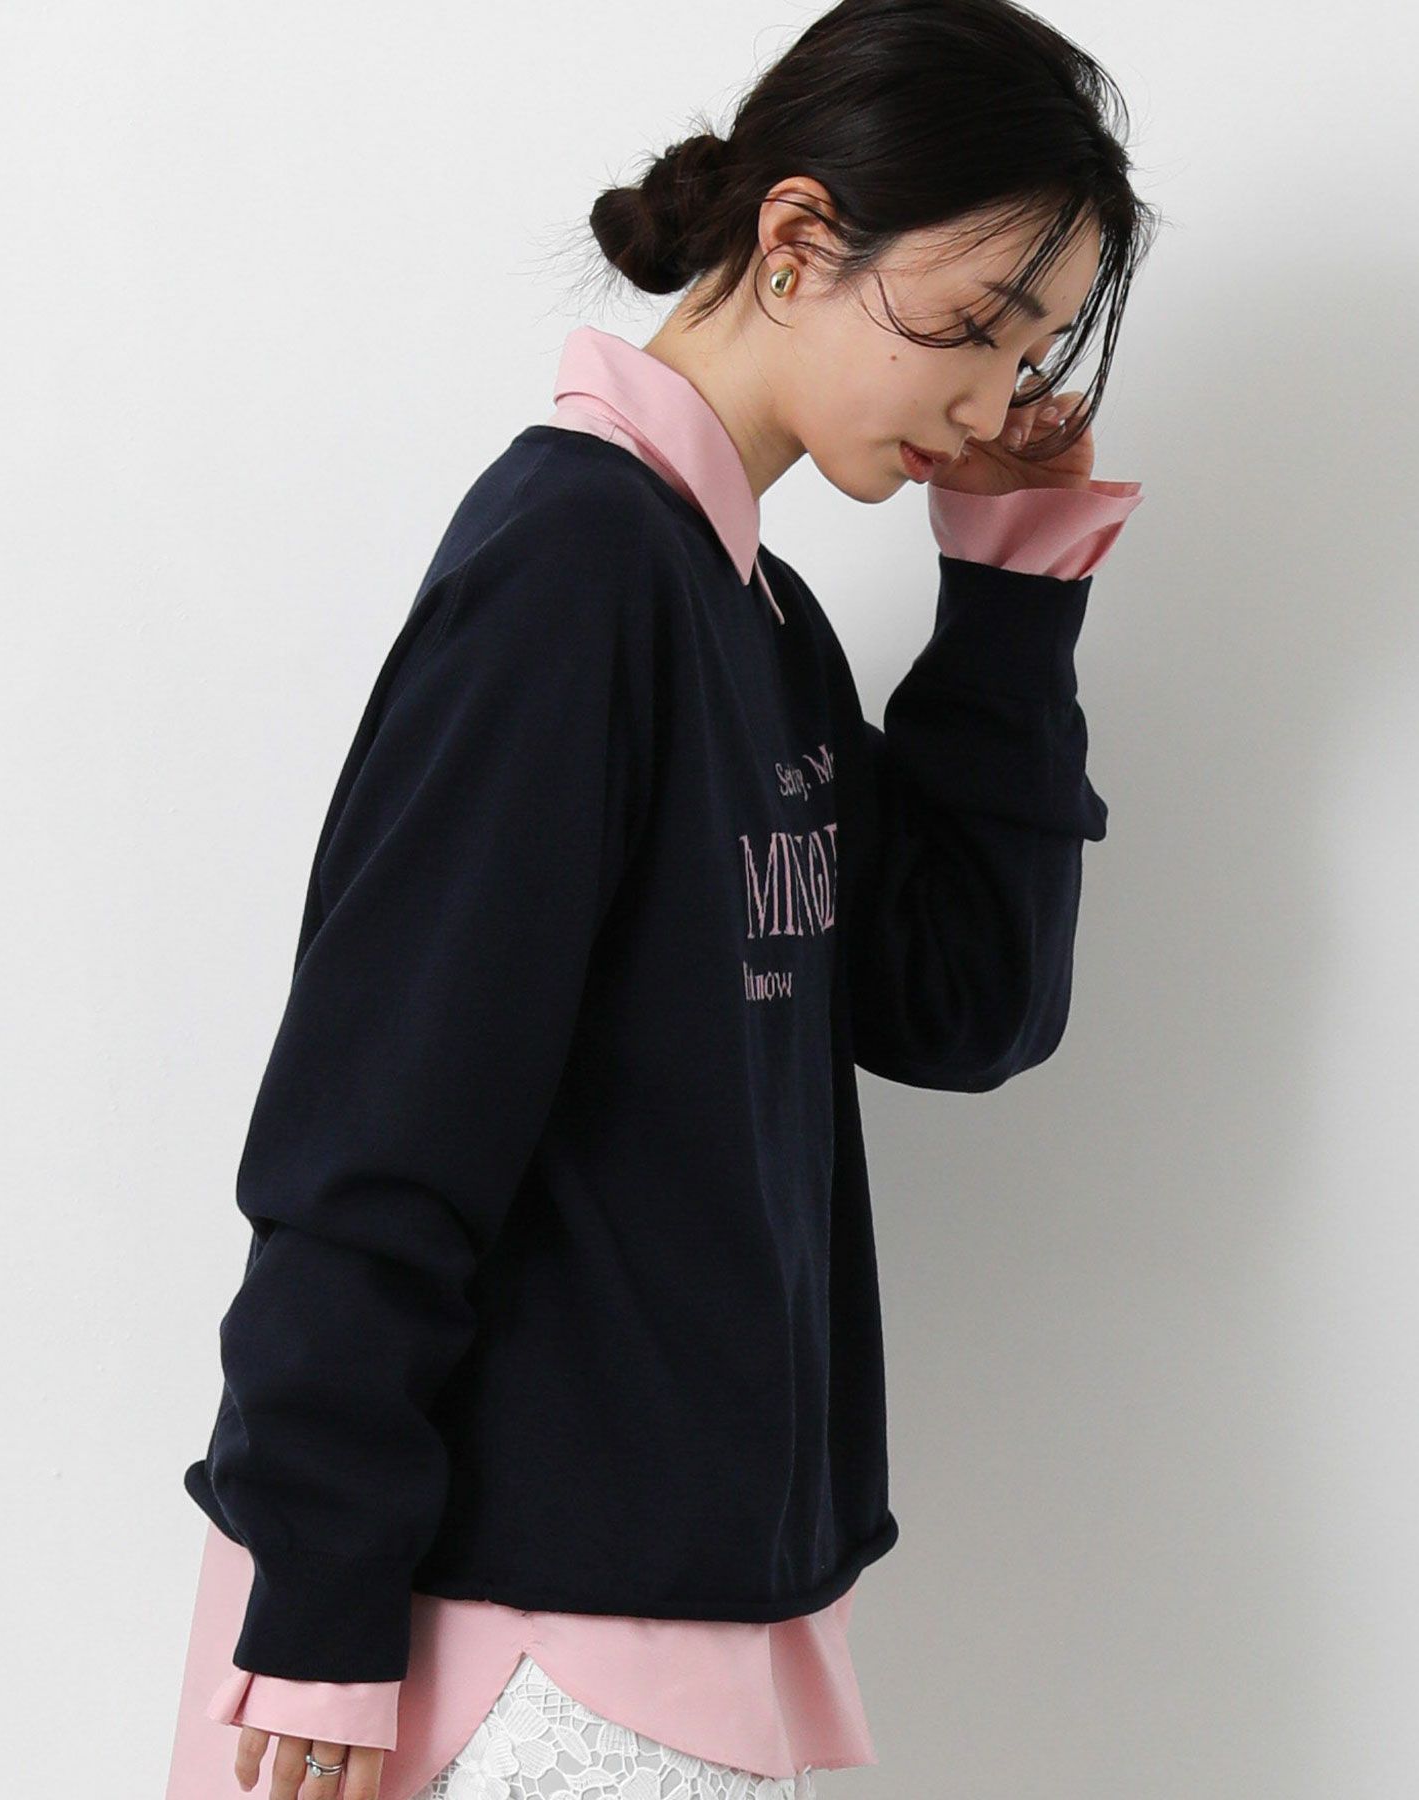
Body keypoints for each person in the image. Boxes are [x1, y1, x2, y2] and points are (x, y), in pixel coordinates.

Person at [164, 1, 1159, 1794]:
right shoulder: (574, 571)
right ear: (797, 241)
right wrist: (316, 1600)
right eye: (977, 323)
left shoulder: (747, 613)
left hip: (662, 1623)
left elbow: (964, 1008)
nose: (993, 396)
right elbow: (378, 1121)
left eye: (1030, 347)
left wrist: (1012, 588)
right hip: (503, 1636)